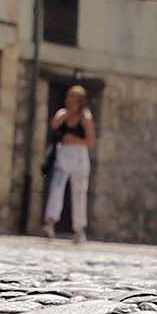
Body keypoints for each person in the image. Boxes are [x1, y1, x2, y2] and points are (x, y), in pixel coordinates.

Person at [44, 83, 94, 240]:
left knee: (79, 193)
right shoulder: (62, 114)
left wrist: (74, 139)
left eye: (75, 99)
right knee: (56, 188)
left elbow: (90, 142)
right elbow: (54, 125)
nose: (71, 101)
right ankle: (50, 223)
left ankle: (79, 229)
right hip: (64, 155)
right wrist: (67, 115)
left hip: (79, 157)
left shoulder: (85, 118)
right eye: (69, 98)